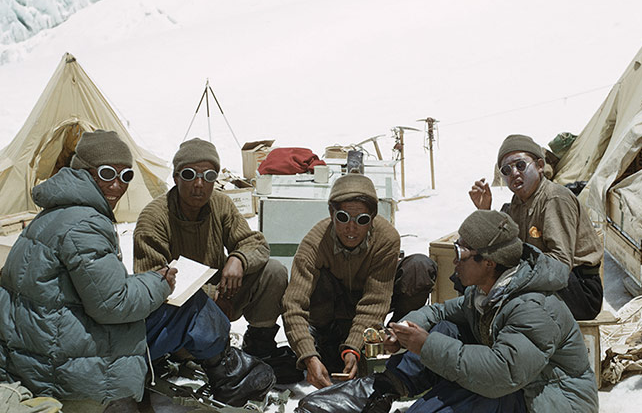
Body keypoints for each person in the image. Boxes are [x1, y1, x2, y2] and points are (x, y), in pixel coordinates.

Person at [0, 130, 270, 408]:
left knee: (268, 272)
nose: (117, 185)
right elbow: (113, 303)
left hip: (46, 345)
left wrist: (238, 258)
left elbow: (98, 291)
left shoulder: (58, 214)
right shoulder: (89, 223)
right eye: (107, 174)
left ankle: (237, 359)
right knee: (191, 306)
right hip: (62, 355)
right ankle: (228, 377)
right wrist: (159, 281)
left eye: (126, 176)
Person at [296, 210, 599, 413]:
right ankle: (379, 390)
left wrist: (425, 345)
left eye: (460, 253)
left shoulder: (533, 307)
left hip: (549, 401)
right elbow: (440, 314)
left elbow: (499, 374)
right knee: (448, 331)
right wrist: (403, 333)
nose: (454, 262)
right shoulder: (487, 293)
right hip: (518, 386)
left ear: (488, 262)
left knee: (477, 385)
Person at [133, 138, 299, 382]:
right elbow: (152, 281)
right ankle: (186, 353)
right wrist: (209, 298)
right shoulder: (154, 217)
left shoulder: (220, 203)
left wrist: (238, 259)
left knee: (273, 271)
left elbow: (257, 244)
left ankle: (260, 344)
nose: (199, 184)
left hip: (226, 294)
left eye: (209, 176)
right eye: (190, 175)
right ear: (176, 177)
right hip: (181, 310)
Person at [282, 173, 437, 389]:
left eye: (362, 219)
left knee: (419, 267)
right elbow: (293, 305)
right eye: (343, 217)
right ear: (331, 214)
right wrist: (309, 356)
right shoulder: (314, 244)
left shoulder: (386, 238)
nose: (352, 228)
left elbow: (375, 301)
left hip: (371, 303)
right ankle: (327, 341)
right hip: (333, 307)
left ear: (372, 219)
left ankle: (400, 341)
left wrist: (353, 347)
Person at [469, 133, 603, 320]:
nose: (514, 173)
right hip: (549, 282)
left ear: (540, 166)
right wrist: (485, 211)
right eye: (506, 170)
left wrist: (512, 279)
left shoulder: (554, 199)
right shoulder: (515, 204)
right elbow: (497, 249)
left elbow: (560, 264)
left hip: (578, 290)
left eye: (521, 165)